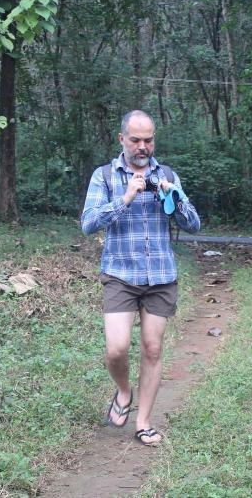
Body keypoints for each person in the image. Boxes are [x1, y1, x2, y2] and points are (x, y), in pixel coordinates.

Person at [81, 110, 201, 446]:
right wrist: (125, 198)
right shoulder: (105, 176)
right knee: (116, 349)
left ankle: (144, 422)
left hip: (161, 275)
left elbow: (193, 224)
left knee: (152, 348)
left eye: (148, 140)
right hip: (120, 274)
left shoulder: (167, 174)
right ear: (122, 139)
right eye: (135, 140)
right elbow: (88, 223)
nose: (142, 146)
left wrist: (173, 197)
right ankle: (123, 391)